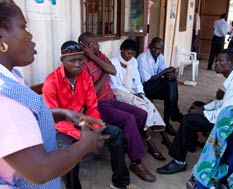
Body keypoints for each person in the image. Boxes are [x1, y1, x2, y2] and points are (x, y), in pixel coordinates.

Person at [0, 1, 108, 189]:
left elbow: (28, 116)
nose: (31, 35)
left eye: (80, 60)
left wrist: (63, 113)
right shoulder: (5, 97)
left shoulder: (11, 77)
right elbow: (40, 170)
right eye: (23, 27)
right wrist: (84, 144)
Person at [42, 41, 131, 189]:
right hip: (60, 127)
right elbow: (54, 118)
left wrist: (94, 127)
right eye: (72, 61)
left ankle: (120, 182)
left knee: (116, 133)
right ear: (62, 60)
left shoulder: (85, 77)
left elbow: (92, 107)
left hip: (82, 121)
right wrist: (81, 137)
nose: (77, 64)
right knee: (67, 150)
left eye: (80, 60)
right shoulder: (51, 82)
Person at [77, 33, 156, 182]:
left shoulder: (98, 54)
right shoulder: (81, 65)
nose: (98, 46)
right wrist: (104, 73)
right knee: (129, 119)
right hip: (98, 106)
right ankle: (136, 162)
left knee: (141, 114)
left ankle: (130, 143)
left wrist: (95, 58)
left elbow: (112, 70)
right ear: (85, 45)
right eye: (94, 44)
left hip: (111, 99)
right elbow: (92, 93)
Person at [157, 49, 233, 175]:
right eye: (216, 60)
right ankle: (190, 142)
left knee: (188, 120)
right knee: (197, 104)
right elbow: (222, 103)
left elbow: (223, 115)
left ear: (231, 63)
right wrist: (203, 108)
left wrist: (201, 112)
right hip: (229, 115)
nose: (216, 63)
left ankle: (179, 161)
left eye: (220, 61)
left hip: (231, 125)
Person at [109, 38, 171, 161]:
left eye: (132, 54)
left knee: (150, 105)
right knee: (142, 109)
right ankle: (150, 144)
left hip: (133, 92)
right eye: (128, 53)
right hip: (119, 93)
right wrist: (131, 93)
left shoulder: (133, 62)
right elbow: (114, 86)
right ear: (122, 50)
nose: (130, 56)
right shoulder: (112, 63)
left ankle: (164, 136)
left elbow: (137, 80)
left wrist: (141, 93)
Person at [137, 37, 182, 136]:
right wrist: (165, 71)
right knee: (169, 87)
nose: (156, 51)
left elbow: (164, 71)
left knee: (171, 84)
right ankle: (173, 113)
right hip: (145, 87)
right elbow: (147, 80)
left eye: (159, 49)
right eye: (154, 48)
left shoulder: (160, 56)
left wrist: (170, 75)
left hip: (156, 84)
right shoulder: (142, 58)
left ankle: (167, 120)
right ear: (150, 46)